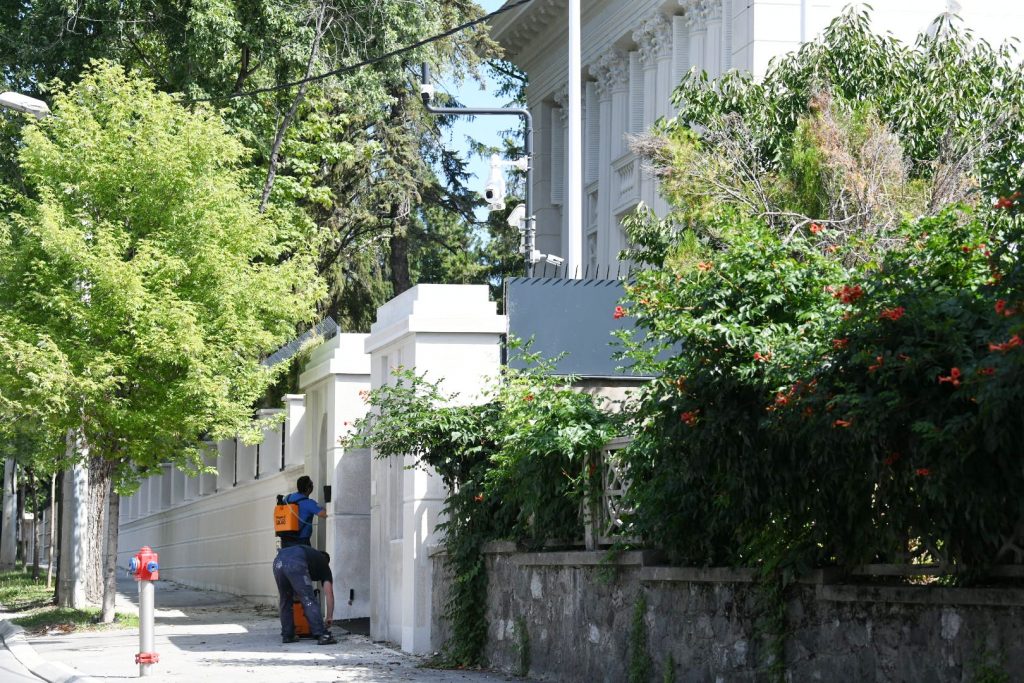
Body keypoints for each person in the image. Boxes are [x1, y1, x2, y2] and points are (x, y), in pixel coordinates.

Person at [273, 544, 337, 645]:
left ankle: (288, 635)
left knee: (285, 600)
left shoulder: (311, 556)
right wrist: (329, 616)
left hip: (278, 561)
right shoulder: (324, 565)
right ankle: (322, 635)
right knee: (308, 600)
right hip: (295, 562)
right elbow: (329, 594)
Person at [281, 475, 326, 547]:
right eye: (312, 485)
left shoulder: (287, 498)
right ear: (308, 489)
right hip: (301, 542)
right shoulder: (309, 503)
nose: (313, 486)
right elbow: (324, 514)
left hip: (285, 541)